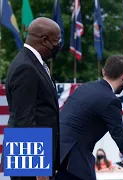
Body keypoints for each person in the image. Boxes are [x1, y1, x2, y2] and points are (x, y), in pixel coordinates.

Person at [56, 55, 123, 180]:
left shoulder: (83, 88)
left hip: (55, 155)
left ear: (103, 71)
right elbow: (122, 141)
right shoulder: (110, 101)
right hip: (73, 163)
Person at [2, 17, 62, 180]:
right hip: (29, 157)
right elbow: (25, 118)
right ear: (44, 40)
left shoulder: (34, 63)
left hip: (34, 154)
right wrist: (38, 166)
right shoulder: (26, 67)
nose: (59, 45)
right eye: (57, 40)